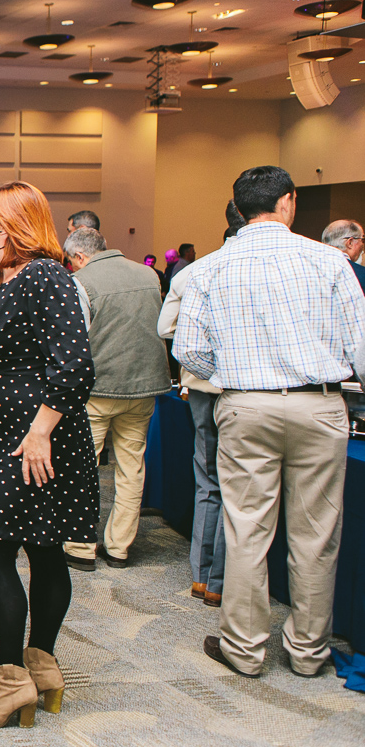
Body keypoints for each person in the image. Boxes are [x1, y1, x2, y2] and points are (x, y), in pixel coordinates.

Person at [175, 165, 365, 679]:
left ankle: (244, 648)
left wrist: (235, 374)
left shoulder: (210, 268)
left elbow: (188, 349)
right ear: (288, 201)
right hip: (319, 406)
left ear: (238, 209)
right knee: (316, 535)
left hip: (246, 405)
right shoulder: (330, 260)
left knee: (246, 530)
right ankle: (308, 652)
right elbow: (361, 347)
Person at [0, 181, 97, 729]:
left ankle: (11, 683)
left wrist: (39, 433)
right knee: (44, 547)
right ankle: (42, 668)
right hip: (21, 427)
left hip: (35, 433)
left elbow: (75, 364)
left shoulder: (45, 275)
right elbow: (25, 344)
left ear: (8, 228)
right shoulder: (18, 277)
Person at [58, 227, 168, 571]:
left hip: (98, 389)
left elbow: (75, 337)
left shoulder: (80, 281)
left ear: (79, 256)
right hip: (143, 386)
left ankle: (80, 545)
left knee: (81, 467)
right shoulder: (149, 275)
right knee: (131, 468)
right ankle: (119, 546)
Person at [159, 201, 246, 607]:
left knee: (208, 479)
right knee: (239, 484)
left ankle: (202, 575)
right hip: (247, 390)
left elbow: (166, 328)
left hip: (200, 385)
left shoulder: (194, 271)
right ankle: (221, 580)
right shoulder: (265, 268)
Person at [322, 219, 365, 292]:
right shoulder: (361, 275)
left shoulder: (311, 268)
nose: (363, 245)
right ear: (350, 243)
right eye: (362, 240)